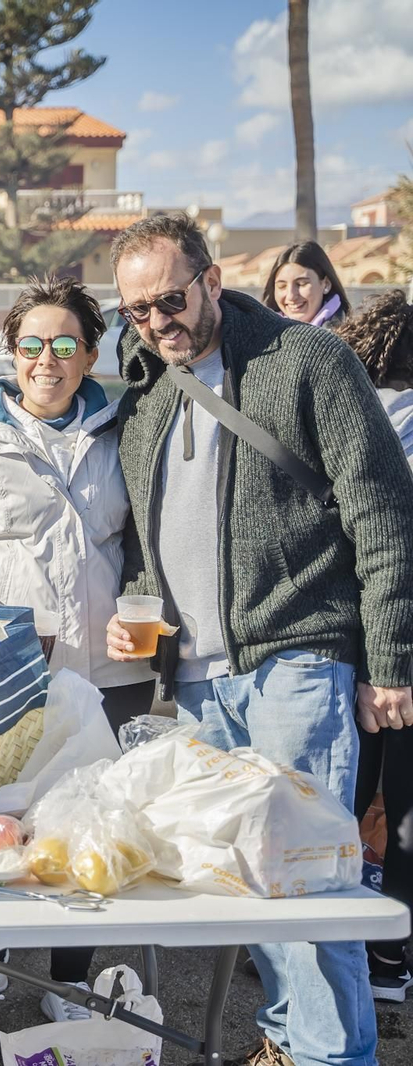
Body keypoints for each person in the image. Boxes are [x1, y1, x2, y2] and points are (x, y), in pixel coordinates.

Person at [104, 213, 413, 1066]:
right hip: (199, 680)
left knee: (306, 882)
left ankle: (332, 1057)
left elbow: (384, 513)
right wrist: (138, 617)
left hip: (297, 662)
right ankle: (286, 1038)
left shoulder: (307, 360)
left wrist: (391, 661)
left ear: (211, 279)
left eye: (170, 299)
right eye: (136, 310)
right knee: (244, 878)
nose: (157, 321)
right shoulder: (151, 396)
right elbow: (147, 541)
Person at [0, 277, 156, 1064]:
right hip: (9, 677)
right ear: (11, 353)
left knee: (88, 830)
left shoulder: (122, 431)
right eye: (32, 345)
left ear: (92, 353)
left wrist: (143, 608)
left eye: (65, 344)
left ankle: (69, 982)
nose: (48, 360)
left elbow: (142, 546)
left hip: (109, 674)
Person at [335, 289, 413, 1001]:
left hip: (356, 631)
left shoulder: (354, 414)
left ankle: (333, 946)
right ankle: (390, 957)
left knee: (346, 793)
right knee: (406, 806)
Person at [260, 240, 351, 328]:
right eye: (282, 286)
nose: (291, 296)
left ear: (326, 284)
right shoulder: (261, 332)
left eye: (301, 284)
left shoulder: (349, 335)